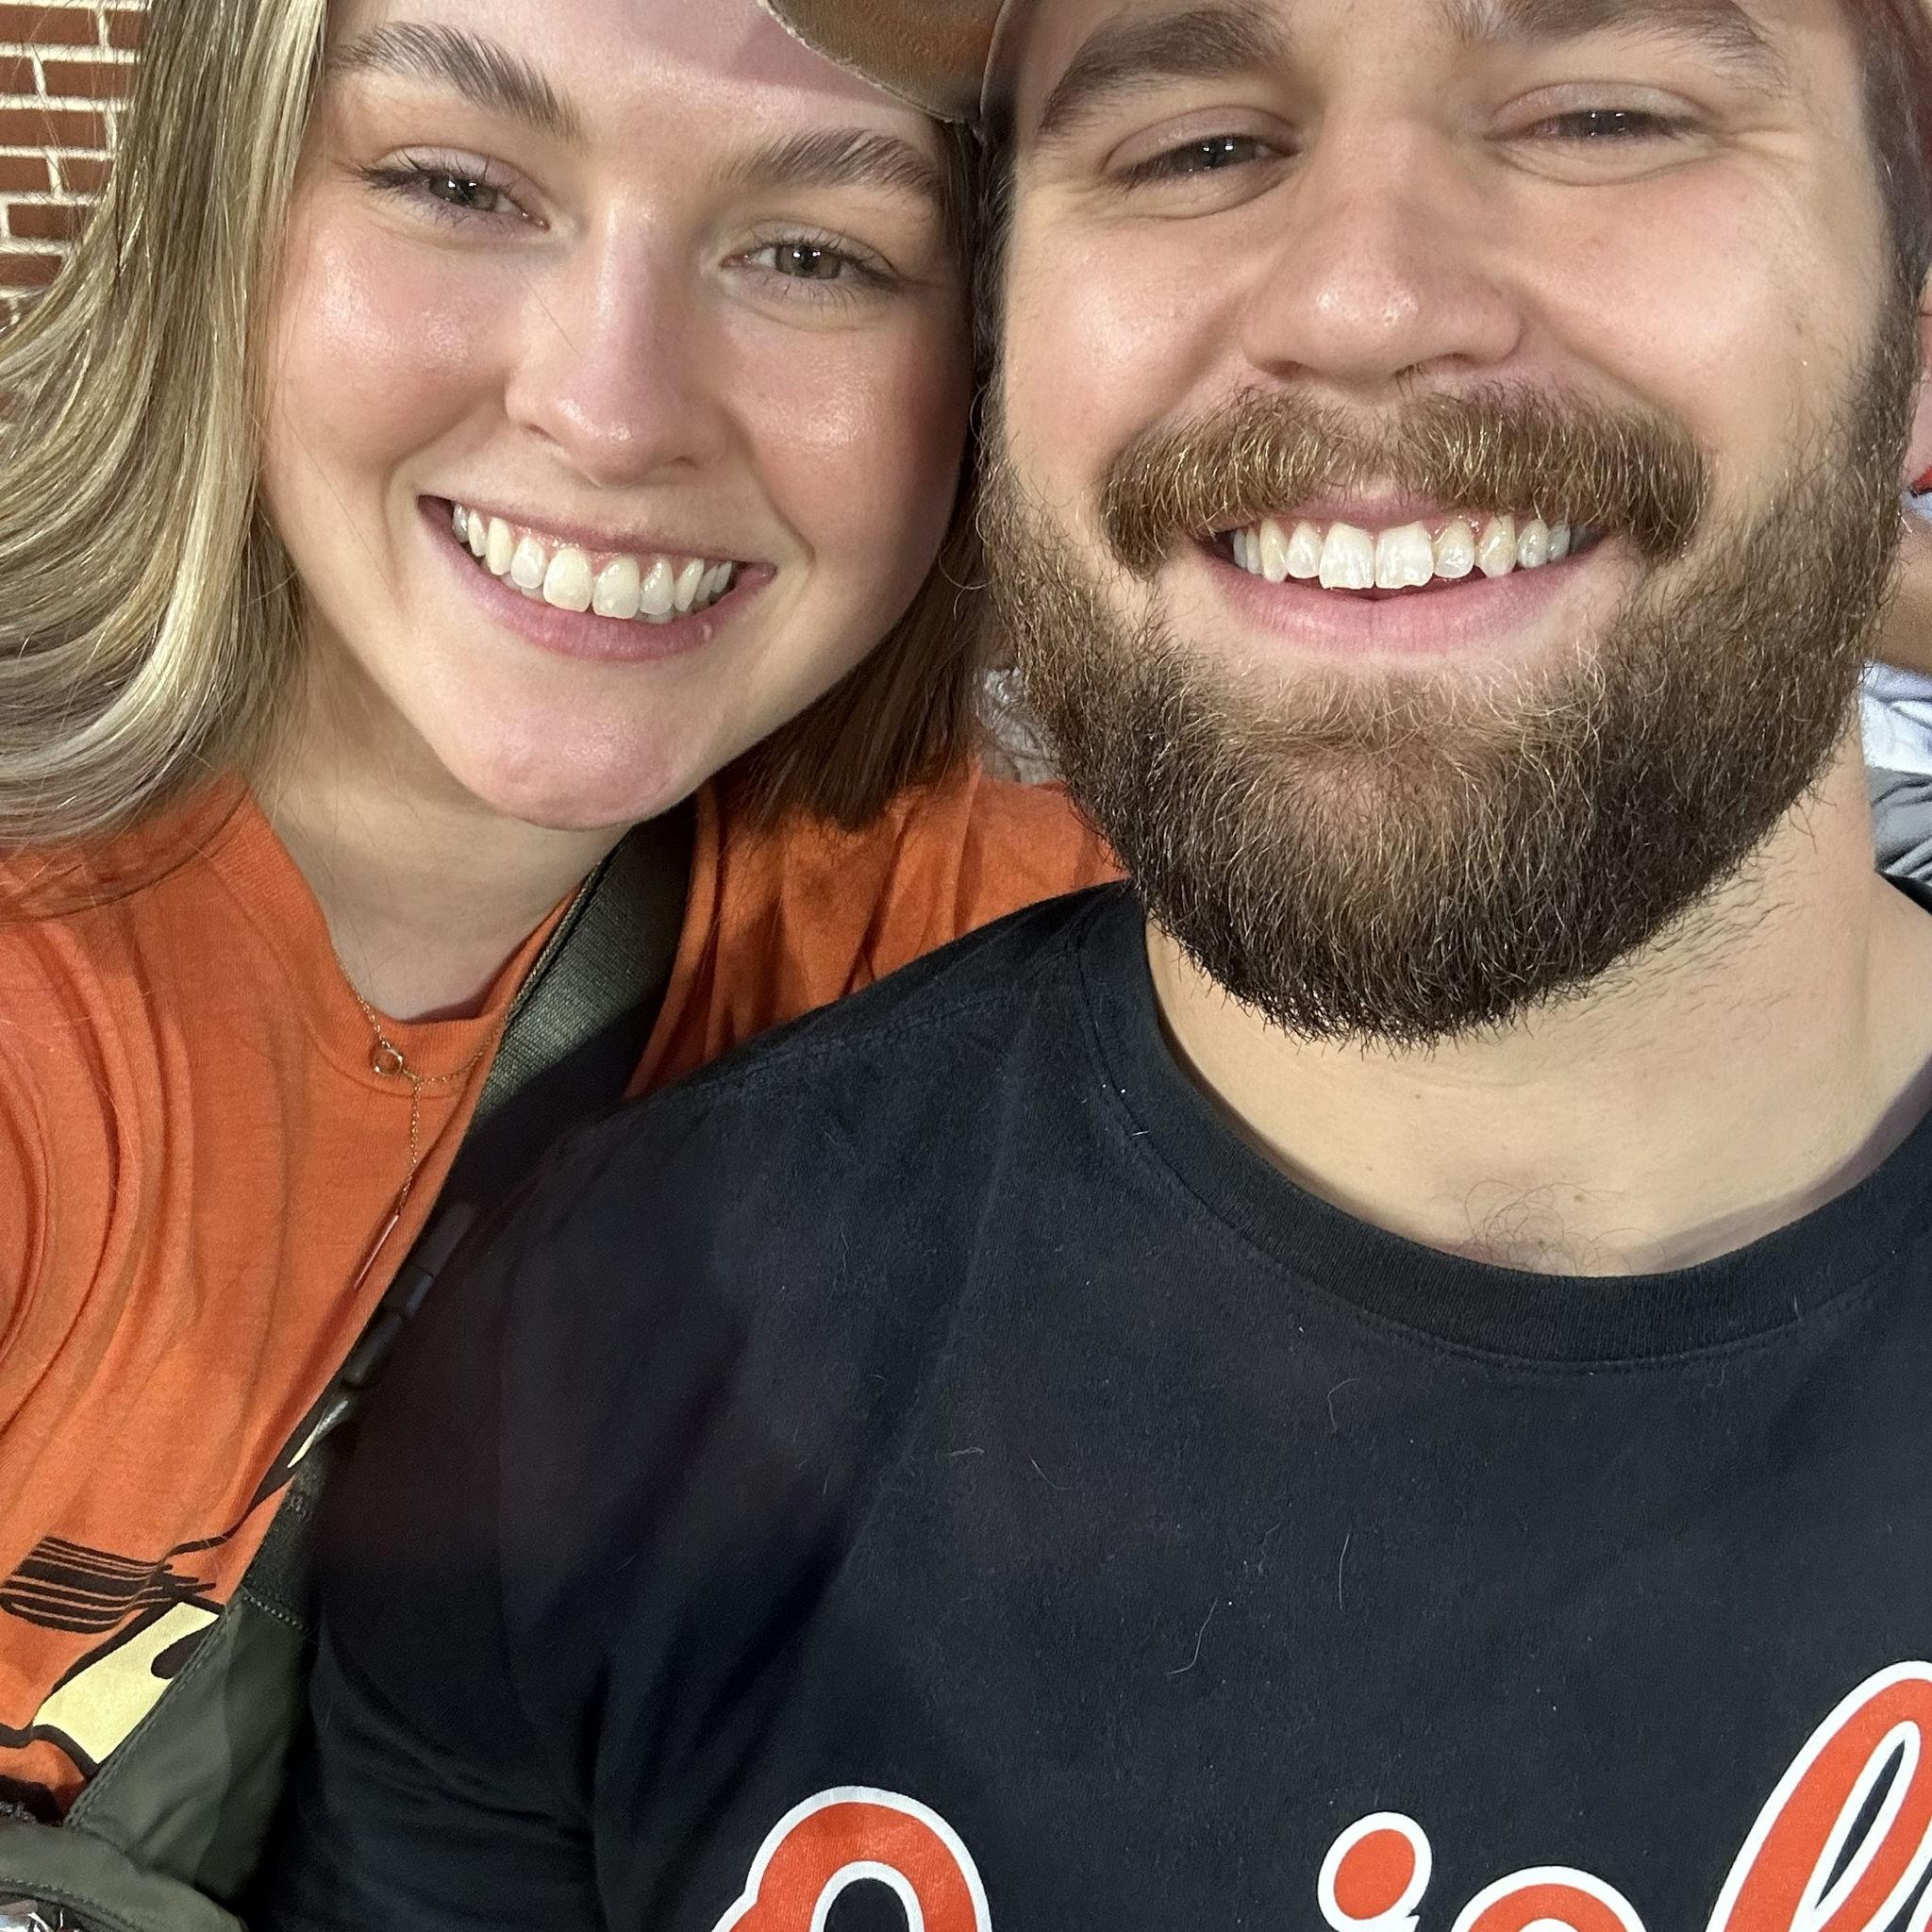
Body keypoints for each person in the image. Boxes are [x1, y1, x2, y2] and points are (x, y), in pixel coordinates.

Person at [263, 0, 1932, 1925]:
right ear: (999, 360)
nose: (1363, 300)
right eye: (1193, 145)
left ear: (1908, 336)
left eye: (1601, 115)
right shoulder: (602, 1354)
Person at [0, 0, 1115, 1861]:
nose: (610, 410)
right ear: (219, 210)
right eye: (452, 182)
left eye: (811, 252)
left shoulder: (942, 904)